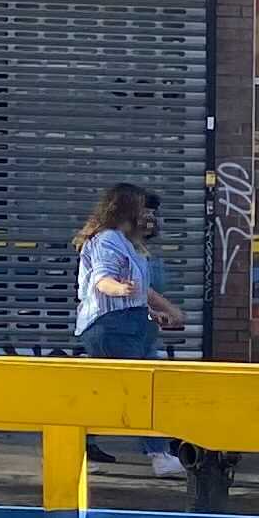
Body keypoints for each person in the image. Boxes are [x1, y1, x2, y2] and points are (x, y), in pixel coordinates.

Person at [72, 183, 187, 480]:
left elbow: (139, 290)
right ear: (126, 209)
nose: (147, 215)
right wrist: (118, 288)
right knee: (139, 393)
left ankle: (76, 449)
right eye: (142, 208)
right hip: (113, 327)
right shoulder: (108, 239)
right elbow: (102, 280)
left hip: (132, 324)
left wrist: (156, 312)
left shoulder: (127, 242)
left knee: (118, 393)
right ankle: (158, 454)